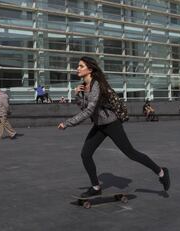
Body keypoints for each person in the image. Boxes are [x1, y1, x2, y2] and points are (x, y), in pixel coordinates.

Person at [57, 56, 170, 198]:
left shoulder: (96, 84)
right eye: (78, 66)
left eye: (81, 66)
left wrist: (67, 123)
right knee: (86, 154)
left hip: (111, 124)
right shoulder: (85, 86)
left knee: (131, 153)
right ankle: (96, 187)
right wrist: (77, 96)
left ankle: (161, 172)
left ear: (90, 69)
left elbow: (89, 110)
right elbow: (84, 107)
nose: (77, 68)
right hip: (99, 125)